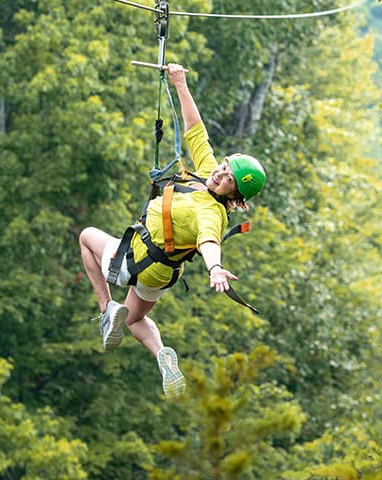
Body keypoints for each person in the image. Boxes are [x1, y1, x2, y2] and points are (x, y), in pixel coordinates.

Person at [79, 63, 266, 397]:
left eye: (227, 181)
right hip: (161, 276)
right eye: (223, 169)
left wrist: (216, 268)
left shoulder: (211, 213)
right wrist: (180, 84)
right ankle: (162, 355)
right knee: (135, 321)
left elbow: (209, 240)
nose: (219, 176)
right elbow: (195, 129)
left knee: (87, 237)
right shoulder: (207, 169)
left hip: (137, 258)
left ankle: (106, 310)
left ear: (234, 196)